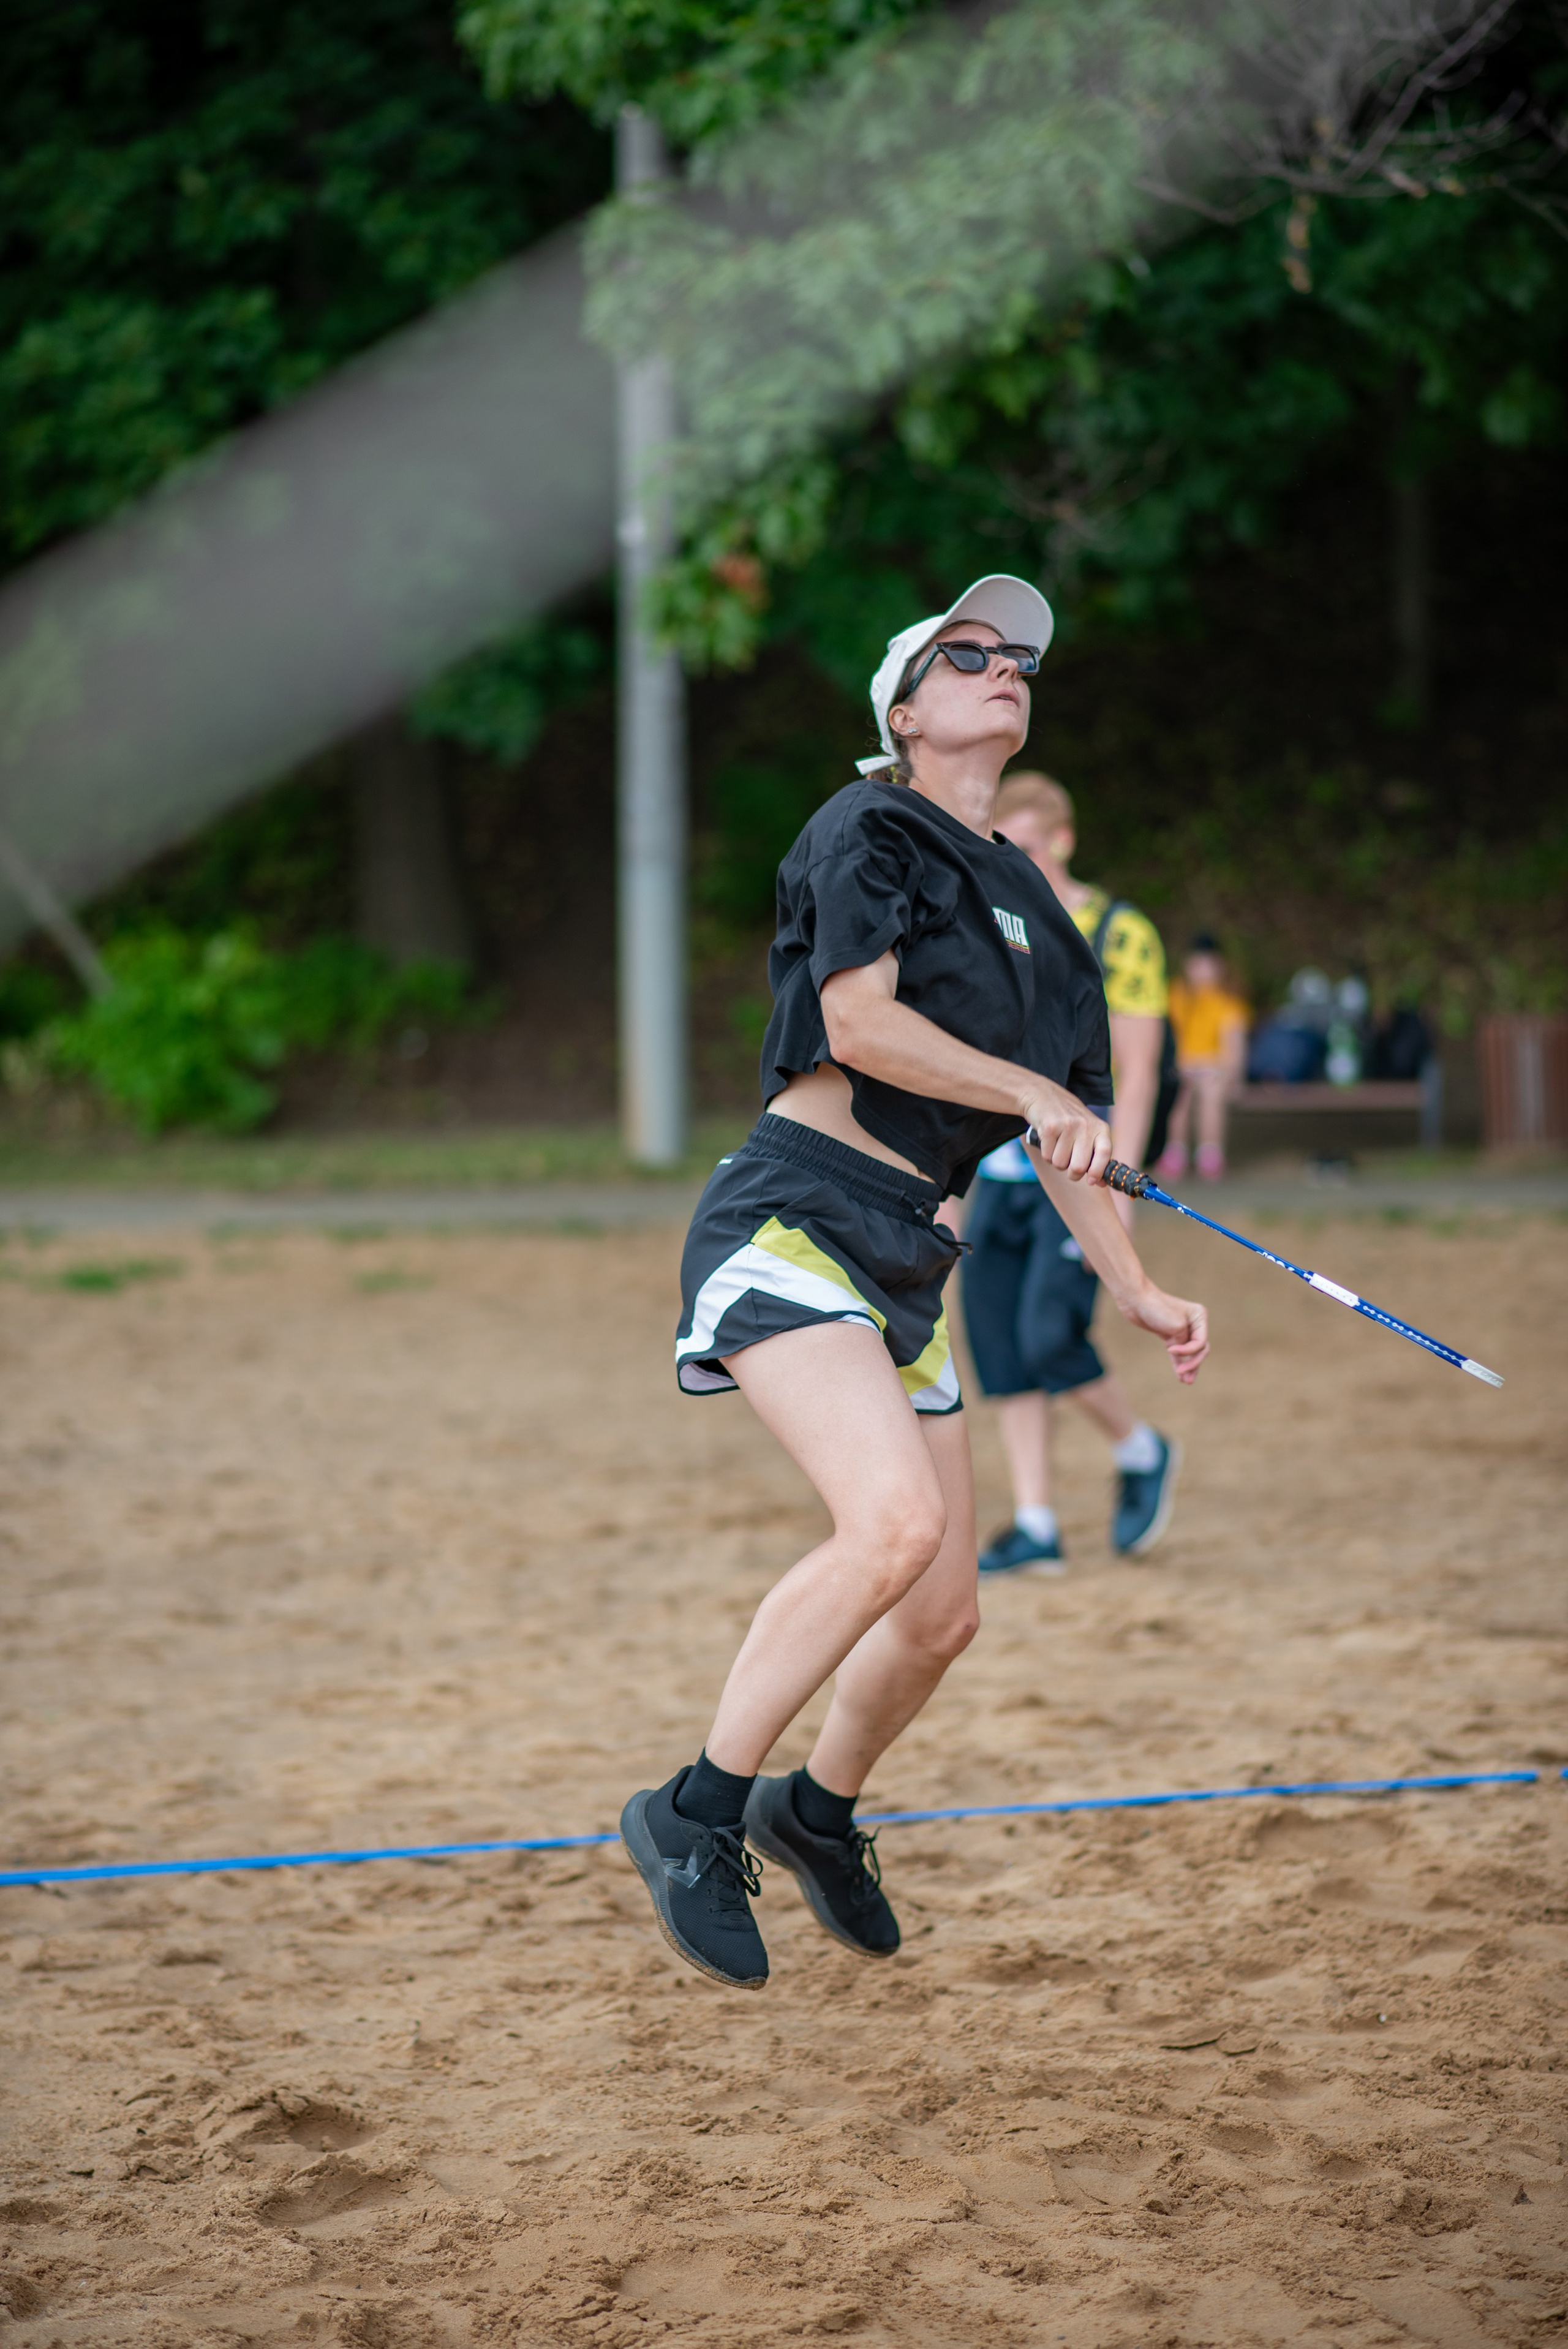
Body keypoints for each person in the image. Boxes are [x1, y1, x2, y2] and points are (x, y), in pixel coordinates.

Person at [620, 575, 1210, 1994]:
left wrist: (1128, 1277)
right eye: (968, 652)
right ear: (903, 707)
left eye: (1016, 657)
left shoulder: (1042, 918)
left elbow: (1065, 1131)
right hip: (795, 1219)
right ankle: (692, 1810)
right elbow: (855, 1020)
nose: (1003, 667)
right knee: (884, 1524)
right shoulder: (866, 826)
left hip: (910, 1265)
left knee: (942, 1612)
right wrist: (1023, 1088)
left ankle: (812, 1811)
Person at [959, 772, 1179, 1575]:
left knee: (1049, 1336)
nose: (1019, 859)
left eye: (1032, 843)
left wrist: (1121, 1185)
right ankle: (1037, 1522)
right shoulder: (987, 928)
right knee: (999, 1350)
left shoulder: (1120, 930)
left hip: (1081, 1170)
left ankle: (1142, 1448)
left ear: (1064, 839)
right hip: (999, 1171)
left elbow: (1140, 1071)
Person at [1159, 934, 1249, 1181]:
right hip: (1183, 1068)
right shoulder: (1175, 996)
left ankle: (1210, 1153)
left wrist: (1234, 1077)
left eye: (1210, 965)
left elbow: (1234, 1045)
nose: (1203, 971)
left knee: (1211, 1091)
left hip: (1215, 1069)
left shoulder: (1228, 1002)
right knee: (1181, 1091)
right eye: (1198, 965)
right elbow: (1167, 1040)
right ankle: (1176, 1150)